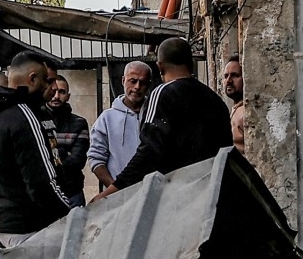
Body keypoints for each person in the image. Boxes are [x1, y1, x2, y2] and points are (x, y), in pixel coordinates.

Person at [100, 38, 233, 194]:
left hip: (176, 196)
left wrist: (114, 189)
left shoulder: (162, 94)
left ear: (160, 66)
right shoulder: (215, 100)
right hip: (212, 191)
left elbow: (149, 152)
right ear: (190, 64)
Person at [0, 51, 75, 244]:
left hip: (6, 223)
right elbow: (41, 181)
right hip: (30, 225)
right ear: (32, 79)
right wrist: (70, 213)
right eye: (46, 80)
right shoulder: (24, 115)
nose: (50, 87)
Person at [90, 60, 152, 194]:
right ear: (123, 80)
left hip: (152, 193)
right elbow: (96, 160)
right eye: (133, 81)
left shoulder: (155, 116)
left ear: (149, 85)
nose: (137, 86)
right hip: (118, 198)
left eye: (143, 82)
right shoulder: (107, 119)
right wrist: (115, 189)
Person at [44, 75, 90, 207]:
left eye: (62, 92)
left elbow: (78, 160)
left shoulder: (79, 123)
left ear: (68, 96)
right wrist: (64, 151)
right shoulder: (38, 121)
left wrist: (53, 156)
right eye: (53, 91)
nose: (56, 96)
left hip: (72, 192)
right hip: (46, 194)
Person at [223, 54, 247, 154]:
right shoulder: (236, 108)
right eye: (226, 76)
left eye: (235, 75)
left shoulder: (245, 112)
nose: (228, 81)